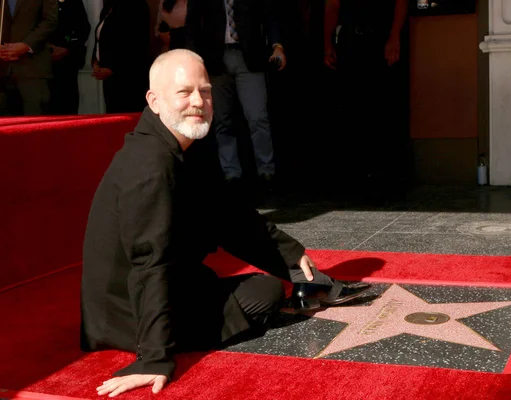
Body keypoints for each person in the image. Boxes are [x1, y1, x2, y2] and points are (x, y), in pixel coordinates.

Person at [82, 49, 369, 398]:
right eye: (184, 92)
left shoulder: (187, 142)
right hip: (128, 313)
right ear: (154, 101)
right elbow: (149, 265)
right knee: (264, 294)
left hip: (167, 283)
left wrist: (289, 256)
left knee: (263, 283)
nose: (198, 101)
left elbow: (228, 214)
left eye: (204, 91)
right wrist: (154, 358)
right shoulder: (149, 166)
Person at [185, 0, 286, 191]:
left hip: (249, 57)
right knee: (222, 119)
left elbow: (270, 15)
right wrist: (193, 58)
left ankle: (267, 171)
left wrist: (277, 45)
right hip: (216, 59)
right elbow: (192, 23)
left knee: (257, 117)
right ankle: (231, 173)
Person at [323, 0, 408, 183]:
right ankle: (357, 170)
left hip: (381, 36)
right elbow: (332, 5)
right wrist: (327, 43)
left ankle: (386, 169)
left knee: (383, 103)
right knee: (352, 103)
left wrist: (394, 36)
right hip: (351, 40)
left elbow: (401, 2)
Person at [91, 0, 150, 113]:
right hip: (110, 79)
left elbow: (136, 45)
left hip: (129, 78)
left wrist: (113, 68)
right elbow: (100, 38)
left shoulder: (138, 6)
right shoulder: (108, 7)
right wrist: (96, 61)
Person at [0, 0, 58, 115]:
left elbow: (50, 21)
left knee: (35, 120)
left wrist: (27, 45)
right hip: (2, 68)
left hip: (32, 67)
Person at [48, 0, 91, 115]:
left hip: (66, 64)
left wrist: (68, 48)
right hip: (36, 63)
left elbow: (83, 29)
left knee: (66, 107)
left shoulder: (72, 2)